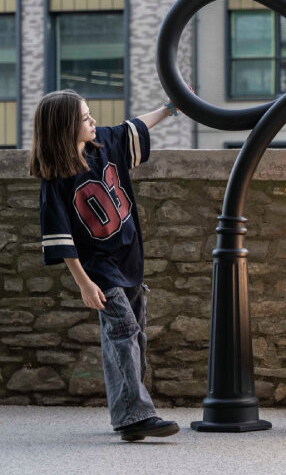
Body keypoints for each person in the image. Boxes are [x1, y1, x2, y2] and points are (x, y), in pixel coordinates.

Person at [30, 90, 181, 442]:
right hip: (98, 269)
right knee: (123, 332)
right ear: (66, 128)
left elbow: (136, 126)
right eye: (85, 118)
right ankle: (136, 415)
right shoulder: (55, 180)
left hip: (129, 257)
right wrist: (83, 282)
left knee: (134, 337)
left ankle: (128, 415)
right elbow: (61, 237)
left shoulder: (105, 144)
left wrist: (170, 108)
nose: (93, 121)